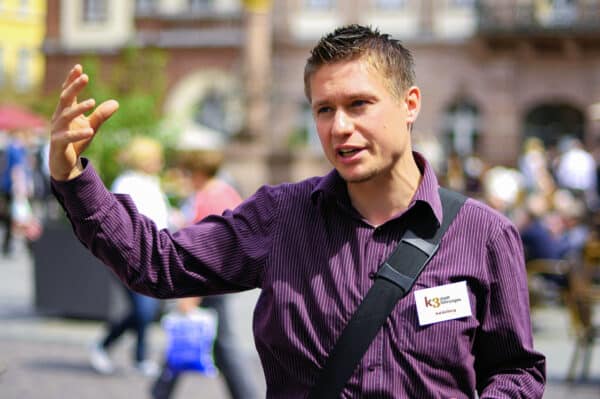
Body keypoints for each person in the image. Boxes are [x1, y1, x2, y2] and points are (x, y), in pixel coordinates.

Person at [48, 25, 545, 397]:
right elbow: (160, 264)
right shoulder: (281, 216)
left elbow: (516, 372)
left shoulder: (483, 235)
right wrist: (72, 178)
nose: (340, 127)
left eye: (359, 104)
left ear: (409, 103)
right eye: (324, 110)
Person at [151, 149, 259, 398]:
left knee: (221, 345)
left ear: (198, 173)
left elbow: (202, 251)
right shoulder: (226, 192)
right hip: (224, 278)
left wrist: (190, 296)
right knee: (218, 344)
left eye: (188, 173)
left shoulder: (208, 198)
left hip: (210, 281)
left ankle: (161, 391)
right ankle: (160, 390)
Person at [89, 136, 169, 377]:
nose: (160, 163)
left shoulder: (151, 182)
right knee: (144, 309)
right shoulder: (127, 183)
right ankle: (112, 348)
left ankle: (136, 355)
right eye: (156, 158)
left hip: (153, 254)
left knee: (147, 309)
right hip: (130, 255)